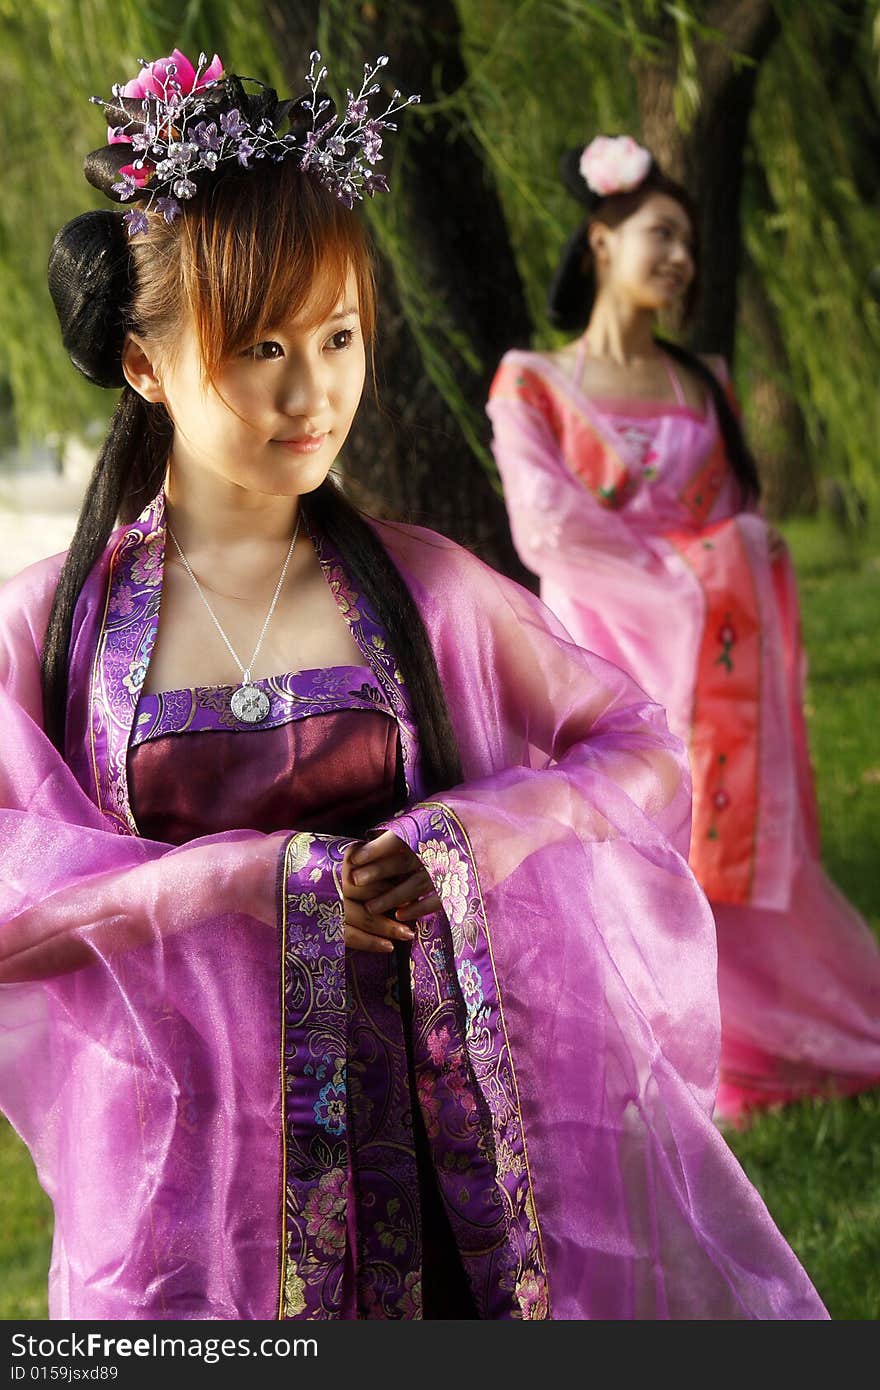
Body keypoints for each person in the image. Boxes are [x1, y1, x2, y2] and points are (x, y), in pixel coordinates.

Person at [0, 56, 826, 1321]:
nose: (311, 389)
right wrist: (244, 882)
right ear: (144, 365)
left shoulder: (430, 590)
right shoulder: (47, 627)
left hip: (450, 1183)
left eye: (337, 337)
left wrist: (480, 835)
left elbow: (641, 745)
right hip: (188, 1196)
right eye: (259, 346)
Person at [488, 134, 880, 1127]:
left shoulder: (702, 379)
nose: (680, 259)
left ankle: (758, 1035)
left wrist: (731, 560)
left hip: (721, 660)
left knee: (731, 843)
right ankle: (639, 1040)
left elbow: (735, 509)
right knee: (622, 847)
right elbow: (548, 527)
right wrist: (690, 574)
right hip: (605, 649)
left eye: (690, 245)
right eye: (660, 234)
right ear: (600, 240)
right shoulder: (532, 382)